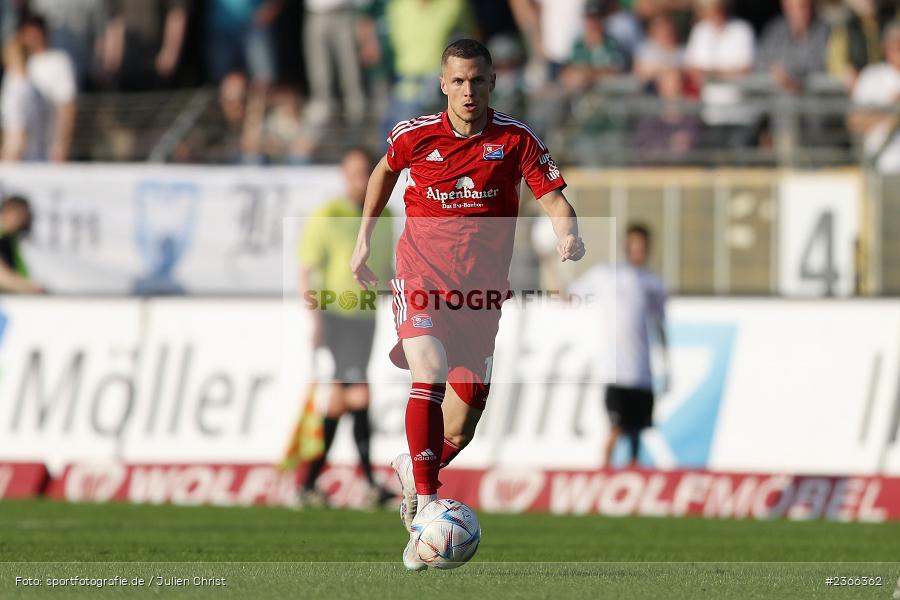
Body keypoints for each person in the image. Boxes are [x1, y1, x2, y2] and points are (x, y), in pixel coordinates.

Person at [350, 38, 585, 570]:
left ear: (492, 82)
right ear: (443, 84)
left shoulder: (515, 139)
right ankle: (428, 504)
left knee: (459, 428)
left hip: (480, 298)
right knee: (428, 369)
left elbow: (555, 200)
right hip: (421, 277)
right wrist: (364, 237)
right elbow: (383, 171)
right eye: (457, 81)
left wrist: (568, 233)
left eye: (477, 80)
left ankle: (414, 474)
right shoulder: (414, 136)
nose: (468, 90)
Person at [296, 147, 395, 508]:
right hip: (336, 314)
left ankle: (308, 483)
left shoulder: (386, 215)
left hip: (366, 316)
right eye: (354, 172)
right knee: (359, 393)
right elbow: (306, 270)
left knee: (339, 399)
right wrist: (315, 319)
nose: (359, 180)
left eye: (366, 172)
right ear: (343, 174)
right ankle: (369, 483)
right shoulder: (328, 214)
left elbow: (386, 267)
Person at [568, 223, 668, 468]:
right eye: (634, 245)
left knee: (636, 434)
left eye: (642, 246)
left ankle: (633, 473)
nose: (638, 251)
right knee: (616, 429)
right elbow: (569, 295)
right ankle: (604, 474)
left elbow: (660, 325)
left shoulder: (653, 284)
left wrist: (666, 364)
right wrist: (550, 261)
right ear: (626, 246)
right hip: (616, 373)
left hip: (642, 374)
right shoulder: (606, 275)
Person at [17, 15, 76, 162]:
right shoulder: (19, 64)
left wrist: (61, 146)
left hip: (46, 154)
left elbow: (67, 107)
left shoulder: (58, 61)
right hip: (20, 155)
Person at [849, 21, 900, 173]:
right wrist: (892, 110)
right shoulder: (871, 77)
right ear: (886, 48)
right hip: (882, 165)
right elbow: (855, 122)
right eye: (896, 46)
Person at [756, 0, 830, 94]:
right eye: (793, 8)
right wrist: (774, 71)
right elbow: (760, 62)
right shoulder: (775, 30)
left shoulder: (823, 31)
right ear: (785, 8)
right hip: (775, 97)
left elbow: (821, 64)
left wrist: (792, 75)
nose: (800, 13)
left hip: (812, 98)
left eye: (804, 7)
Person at [1, 37, 45, 161]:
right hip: (38, 159)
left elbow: (17, 136)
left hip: (21, 164)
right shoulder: (34, 90)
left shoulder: (14, 92)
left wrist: (7, 161)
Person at [0, 195, 43, 293]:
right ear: (9, 211)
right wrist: (31, 289)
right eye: (23, 214)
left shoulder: (11, 239)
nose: (26, 220)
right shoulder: (3, 239)